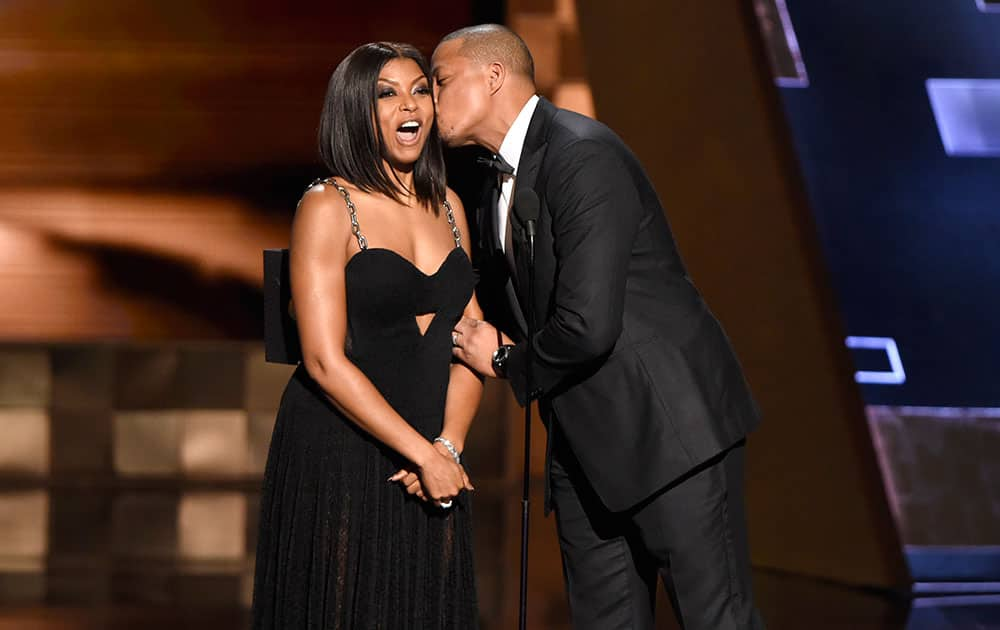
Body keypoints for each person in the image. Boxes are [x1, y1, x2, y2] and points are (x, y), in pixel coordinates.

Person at [435, 25, 766, 630]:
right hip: (583, 450)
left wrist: (506, 361)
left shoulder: (581, 152)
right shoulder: (493, 185)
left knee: (715, 620)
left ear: (493, 76)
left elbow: (587, 324)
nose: (430, 102)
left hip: (667, 436)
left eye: (440, 81)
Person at [251, 42, 482, 629]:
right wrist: (421, 452)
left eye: (420, 89)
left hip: (433, 461)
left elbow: (470, 341)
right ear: (357, 110)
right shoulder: (328, 206)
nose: (411, 104)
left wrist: (448, 448)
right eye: (387, 93)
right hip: (344, 451)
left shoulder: (451, 205)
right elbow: (324, 361)